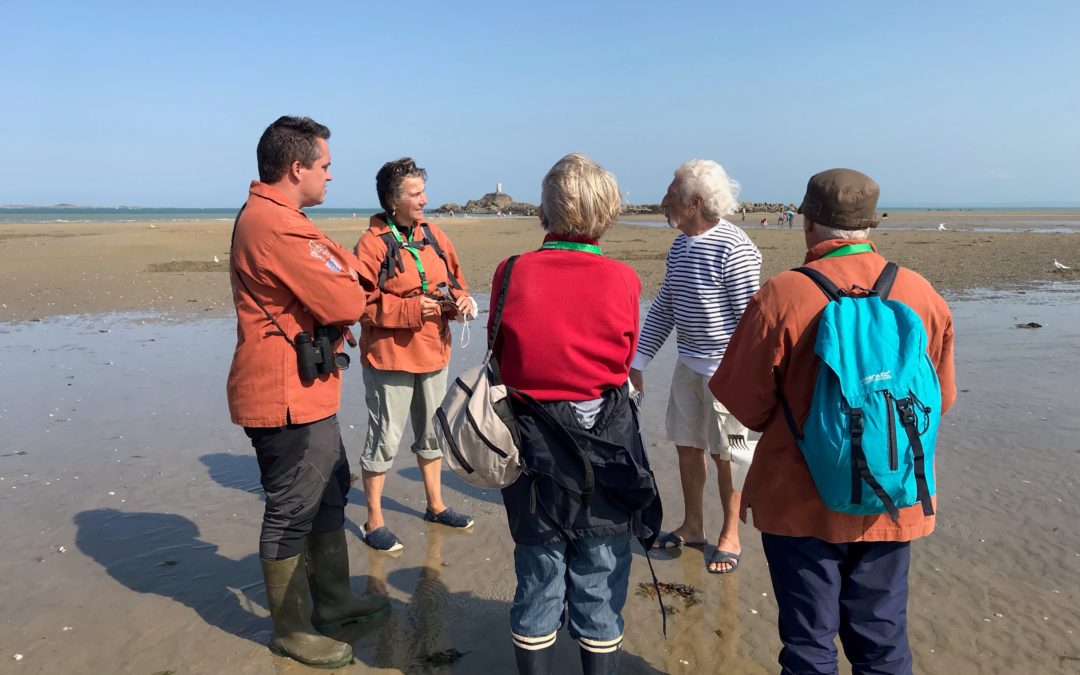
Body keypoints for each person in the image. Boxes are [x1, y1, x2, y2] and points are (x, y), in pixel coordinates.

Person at [710, 168, 956, 674]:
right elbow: (941, 401)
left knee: (808, 645)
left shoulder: (782, 295)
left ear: (808, 224)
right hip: (892, 497)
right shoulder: (919, 293)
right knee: (883, 642)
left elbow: (745, 404)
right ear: (870, 225)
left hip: (799, 503)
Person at [227, 116, 389, 669]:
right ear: (297, 169)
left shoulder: (283, 219)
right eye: (325, 166)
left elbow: (344, 277)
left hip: (305, 390)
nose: (330, 175)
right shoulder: (275, 225)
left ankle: (335, 601)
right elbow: (348, 300)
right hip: (282, 395)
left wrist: (345, 274)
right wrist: (346, 277)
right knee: (293, 506)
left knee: (328, 491)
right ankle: (291, 627)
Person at [491, 153, 661, 674]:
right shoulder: (622, 278)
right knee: (601, 573)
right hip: (603, 439)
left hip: (529, 439)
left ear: (546, 210)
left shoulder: (512, 270)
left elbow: (499, 354)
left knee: (539, 568)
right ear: (606, 212)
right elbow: (624, 355)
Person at [628, 159, 761, 574]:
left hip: (727, 371)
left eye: (672, 192)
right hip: (689, 365)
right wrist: (639, 360)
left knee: (728, 455)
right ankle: (693, 525)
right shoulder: (681, 245)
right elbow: (666, 305)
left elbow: (750, 321)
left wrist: (746, 379)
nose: (665, 199)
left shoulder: (734, 248)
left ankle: (730, 534)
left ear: (696, 201)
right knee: (687, 445)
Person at [353, 157, 477, 553]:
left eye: (424, 191)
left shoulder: (436, 236)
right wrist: (411, 310)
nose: (425, 199)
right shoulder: (370, 244)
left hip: (434, 353)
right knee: (384, 437)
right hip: (389, 358)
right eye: (415, 193)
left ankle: (436, 505)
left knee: (431, 433)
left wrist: (461, 302)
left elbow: (455, 281)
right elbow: (357, 304)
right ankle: (374, 520)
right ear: (392, 200)